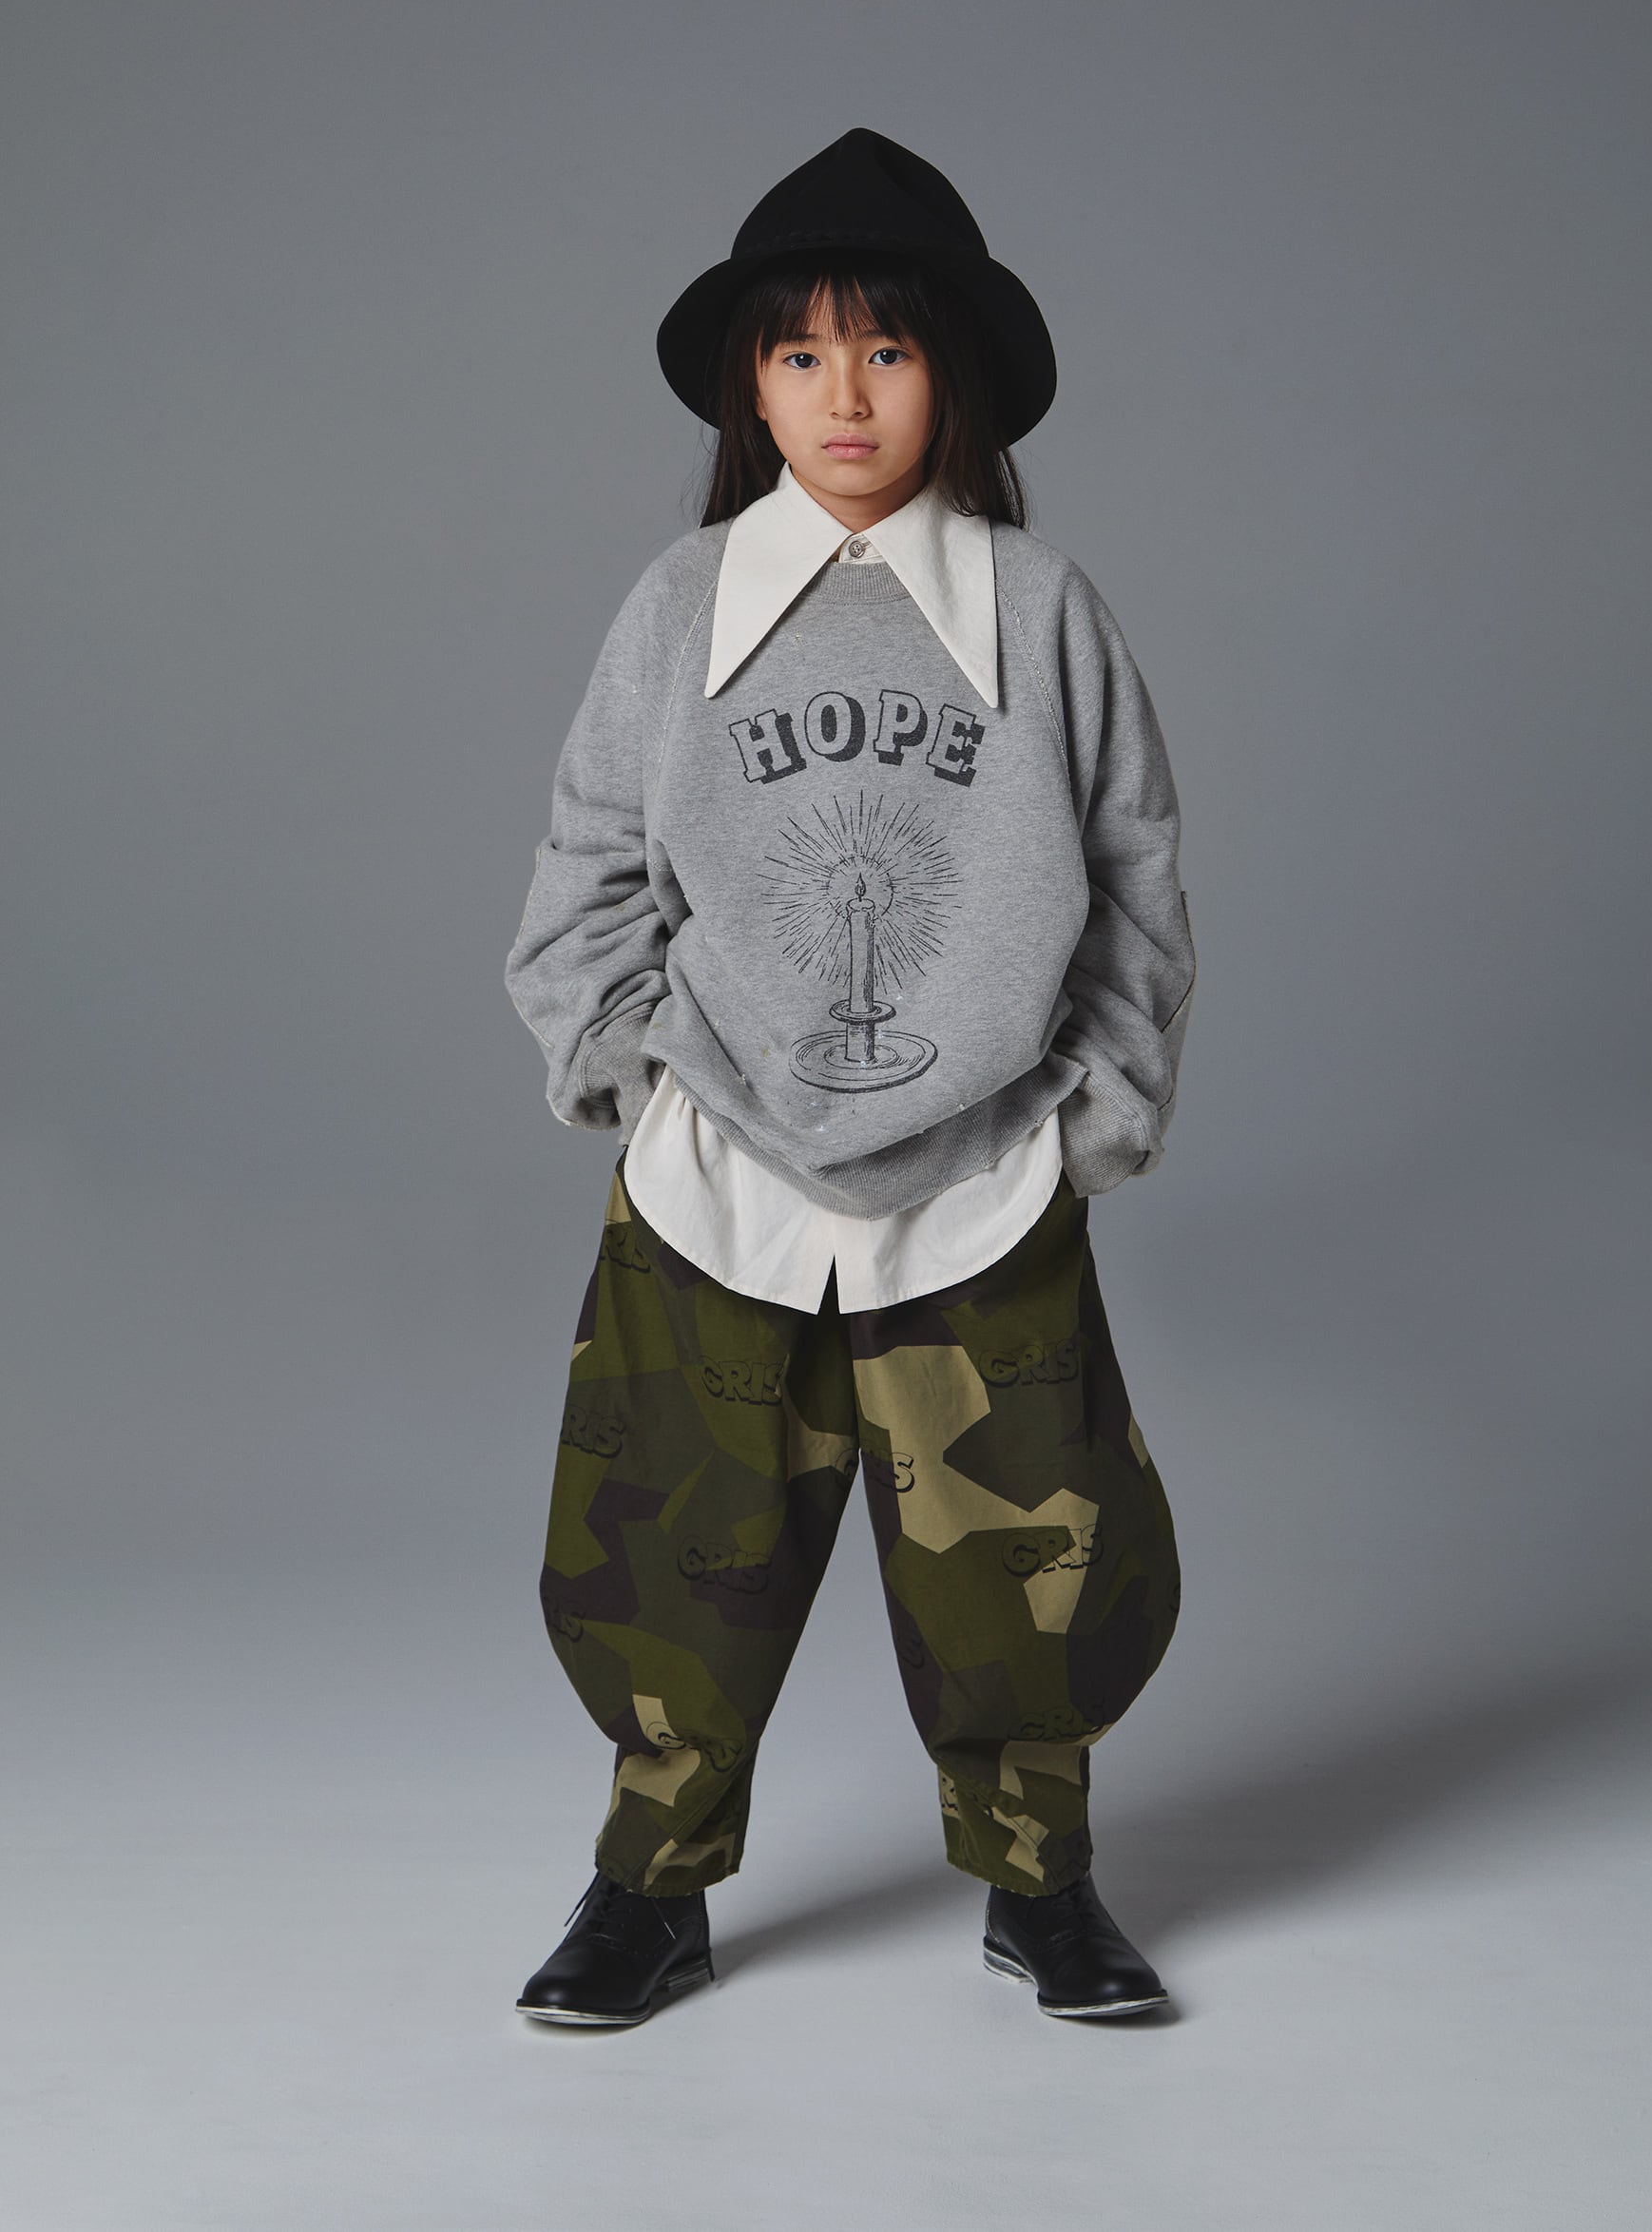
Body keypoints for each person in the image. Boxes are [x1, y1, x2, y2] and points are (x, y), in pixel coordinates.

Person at [504, 127, 1196, 2027]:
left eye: (885, 350)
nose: (845, 394)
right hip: (718, 1172)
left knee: (1027, 1563)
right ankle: (645, 1886)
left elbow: (1134, 874)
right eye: (799, 352)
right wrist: (621, 1069)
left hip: (980, 1172)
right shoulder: (681, 606)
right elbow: (586, 864)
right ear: (748, 386)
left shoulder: (1039, 610)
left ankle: (1041, 1881)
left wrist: (1097, 1107)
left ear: (949, 373)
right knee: (671, 1552)